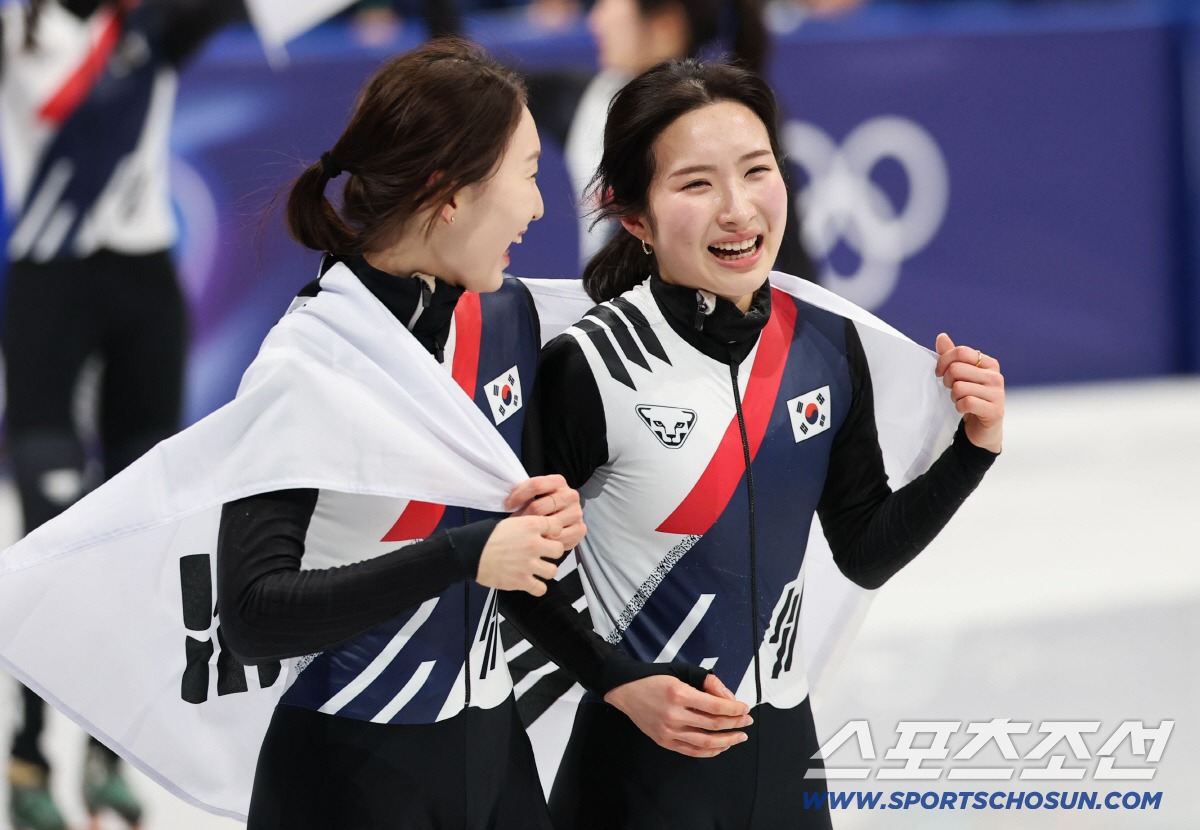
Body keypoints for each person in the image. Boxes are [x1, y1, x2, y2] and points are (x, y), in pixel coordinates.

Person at [216, 39, 710, 830]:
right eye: (528, 173)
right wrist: (463, 553)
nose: (539, 207)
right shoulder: (311, 363)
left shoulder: (504, 317)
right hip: (346, 778)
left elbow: (510, 570)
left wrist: (612, 676)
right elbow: (250, 616)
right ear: (448, 194)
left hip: (495, 766)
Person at [536, 59, 1005, 829]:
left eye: (757, 171)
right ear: (634, 216)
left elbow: (863, 548)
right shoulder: (589, 366)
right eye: (696, 184)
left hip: (787, 762)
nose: (738, 208)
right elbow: (517, 575)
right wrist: (617, 681)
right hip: (636, 776)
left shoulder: (824, 345)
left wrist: (972, 451)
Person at [0, 1, 244, 828]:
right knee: (46, 530)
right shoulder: (18, 27)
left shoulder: (154, 23)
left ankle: (110, 754)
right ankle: (29, 753)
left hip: (143, 288)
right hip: (50, 286)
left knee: (144, 532)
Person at [526, 0, 815, 279]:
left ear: (666, 25)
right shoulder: (585, 101)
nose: (596, 20)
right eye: (696, 183)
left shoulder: (737, 119)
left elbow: (796, 265)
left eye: (609, 3)